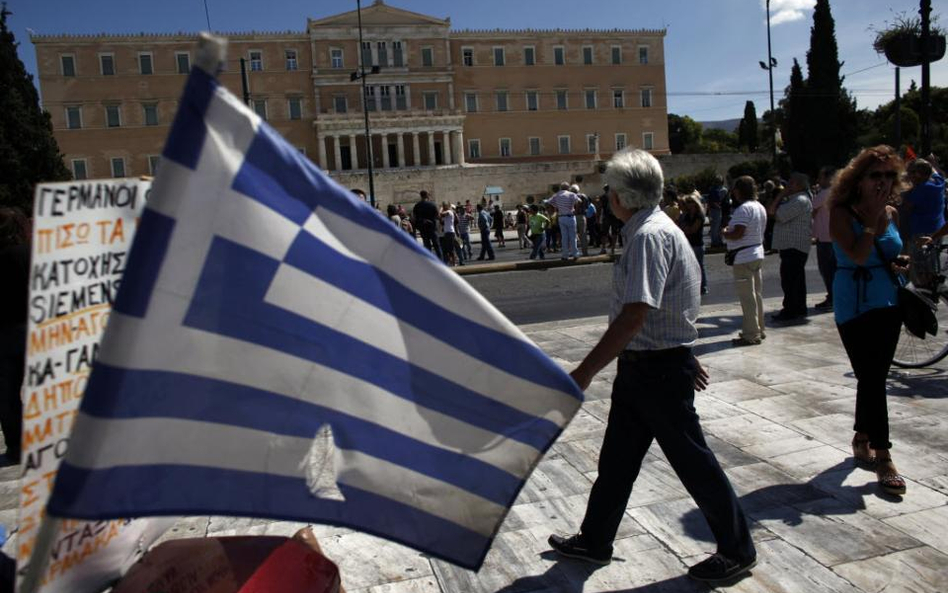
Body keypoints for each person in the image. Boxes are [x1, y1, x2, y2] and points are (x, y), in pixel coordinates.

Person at [548, 149, 756, 584]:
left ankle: (737, 548)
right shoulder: (654, 229)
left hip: (657, 372)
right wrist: (683, 349)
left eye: (608, 189)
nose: (605, 196)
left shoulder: (647, 236)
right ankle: (594, 539)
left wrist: (585, 371)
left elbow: (635, 313)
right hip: (648, 365)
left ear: (622, 195)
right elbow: (677, 299)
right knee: (617, 461)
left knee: (694, 462)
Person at [829, 145, 909, 496]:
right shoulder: (841, 213)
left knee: (874, 375)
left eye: (890, 175)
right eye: (876, 175)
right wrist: (872, 223)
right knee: (871, 375)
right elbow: (859, 256)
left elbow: (890, 252)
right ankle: (884, 455)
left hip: (888, 300)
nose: (883, 182)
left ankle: (863, 436)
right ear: (858, 179)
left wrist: (901, 259)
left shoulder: (891, 212)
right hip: (854, 303)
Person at [723, 176, 768, 346]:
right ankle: (760, 328)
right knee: (756, 295)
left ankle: (751, 334)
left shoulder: (743, 209)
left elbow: (738, 233)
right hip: (757, 252)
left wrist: (725, 232)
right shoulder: (759, 207)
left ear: (739, 191)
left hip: (743, 257)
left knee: (747, 298)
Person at [0, 207, 29, 463]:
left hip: (5, 334)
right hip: (34, 329)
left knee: (8, 395)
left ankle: (16, 447)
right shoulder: (30, 254)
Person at [768, 173, 813, 323]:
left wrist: (780, 195)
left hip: (794, 246)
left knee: (790, 280)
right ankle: (798, 307)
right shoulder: (796, 199)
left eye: (791, 183)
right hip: (791, 246)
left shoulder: (799, 200)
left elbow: (775, 213)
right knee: (795, 279)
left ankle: (791, 309)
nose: (788, 186)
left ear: (800, 185)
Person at [903, 156, 946, 286]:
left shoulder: (920, 189)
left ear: (918, 175)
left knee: (919, 267)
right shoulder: (939, 182)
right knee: (933, 262)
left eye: (910, 173)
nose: (908, 176)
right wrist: (931, 162)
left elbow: (906, 207)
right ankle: (933, 288)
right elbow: (935, 171)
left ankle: (923, 292)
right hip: (938, 229)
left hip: (921, 232)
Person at [812, 167, 838, 310]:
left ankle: (832, 298)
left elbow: (812, 210)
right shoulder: (837, 193)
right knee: (833, 269)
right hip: (834, 235)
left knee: (827, 269)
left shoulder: (824, 194)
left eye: (821, 177)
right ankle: (833, 296)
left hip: (825, 236)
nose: (818, 180)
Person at [677, 191, 708, 295]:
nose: (689, 204)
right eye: (688, 202)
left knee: (699, 265)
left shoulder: (699, 215)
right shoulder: (686, 216)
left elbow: (692, 230)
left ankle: (703, 287)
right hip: (688, 243)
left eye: (691, 202)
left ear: (695, 203)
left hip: (697, 244)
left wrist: (685, 229)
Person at [545, 182, 582, 260]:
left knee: (564, 237)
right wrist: (575, 209)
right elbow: (579, 201)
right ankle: (575, 254)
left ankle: (565, 255)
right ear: (568, 188)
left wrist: (556, 207)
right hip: (570, 216)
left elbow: (548, 202)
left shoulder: (556, 195)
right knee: (572, 236)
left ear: (561, 188)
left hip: (561, 217)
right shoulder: (571, 194)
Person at [413, 190, 442, 260]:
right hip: (432, 227)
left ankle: (430, 262)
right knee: (436, 246)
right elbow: (438, 216)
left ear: (421, 195)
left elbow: (414, 218)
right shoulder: (432, 204)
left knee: (427, 246)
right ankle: (441, 262)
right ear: (427, 195)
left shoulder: (417, 206)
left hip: (423, 228)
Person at [706, 176, 727, 248]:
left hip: (714, 210)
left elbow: (709, 202)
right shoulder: (723, 190)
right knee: (717, 227)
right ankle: (716, 242)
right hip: (717, 210)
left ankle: (717, 241)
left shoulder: (712, 190)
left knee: (716, 227)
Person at [572, 185, 589, 257]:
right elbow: (587, 206)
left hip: (573, 216)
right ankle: (585, 252)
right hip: (582, 216)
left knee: (573, 235)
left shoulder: (571, 197)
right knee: (583, 234)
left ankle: (574, 252)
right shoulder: (584, 196)